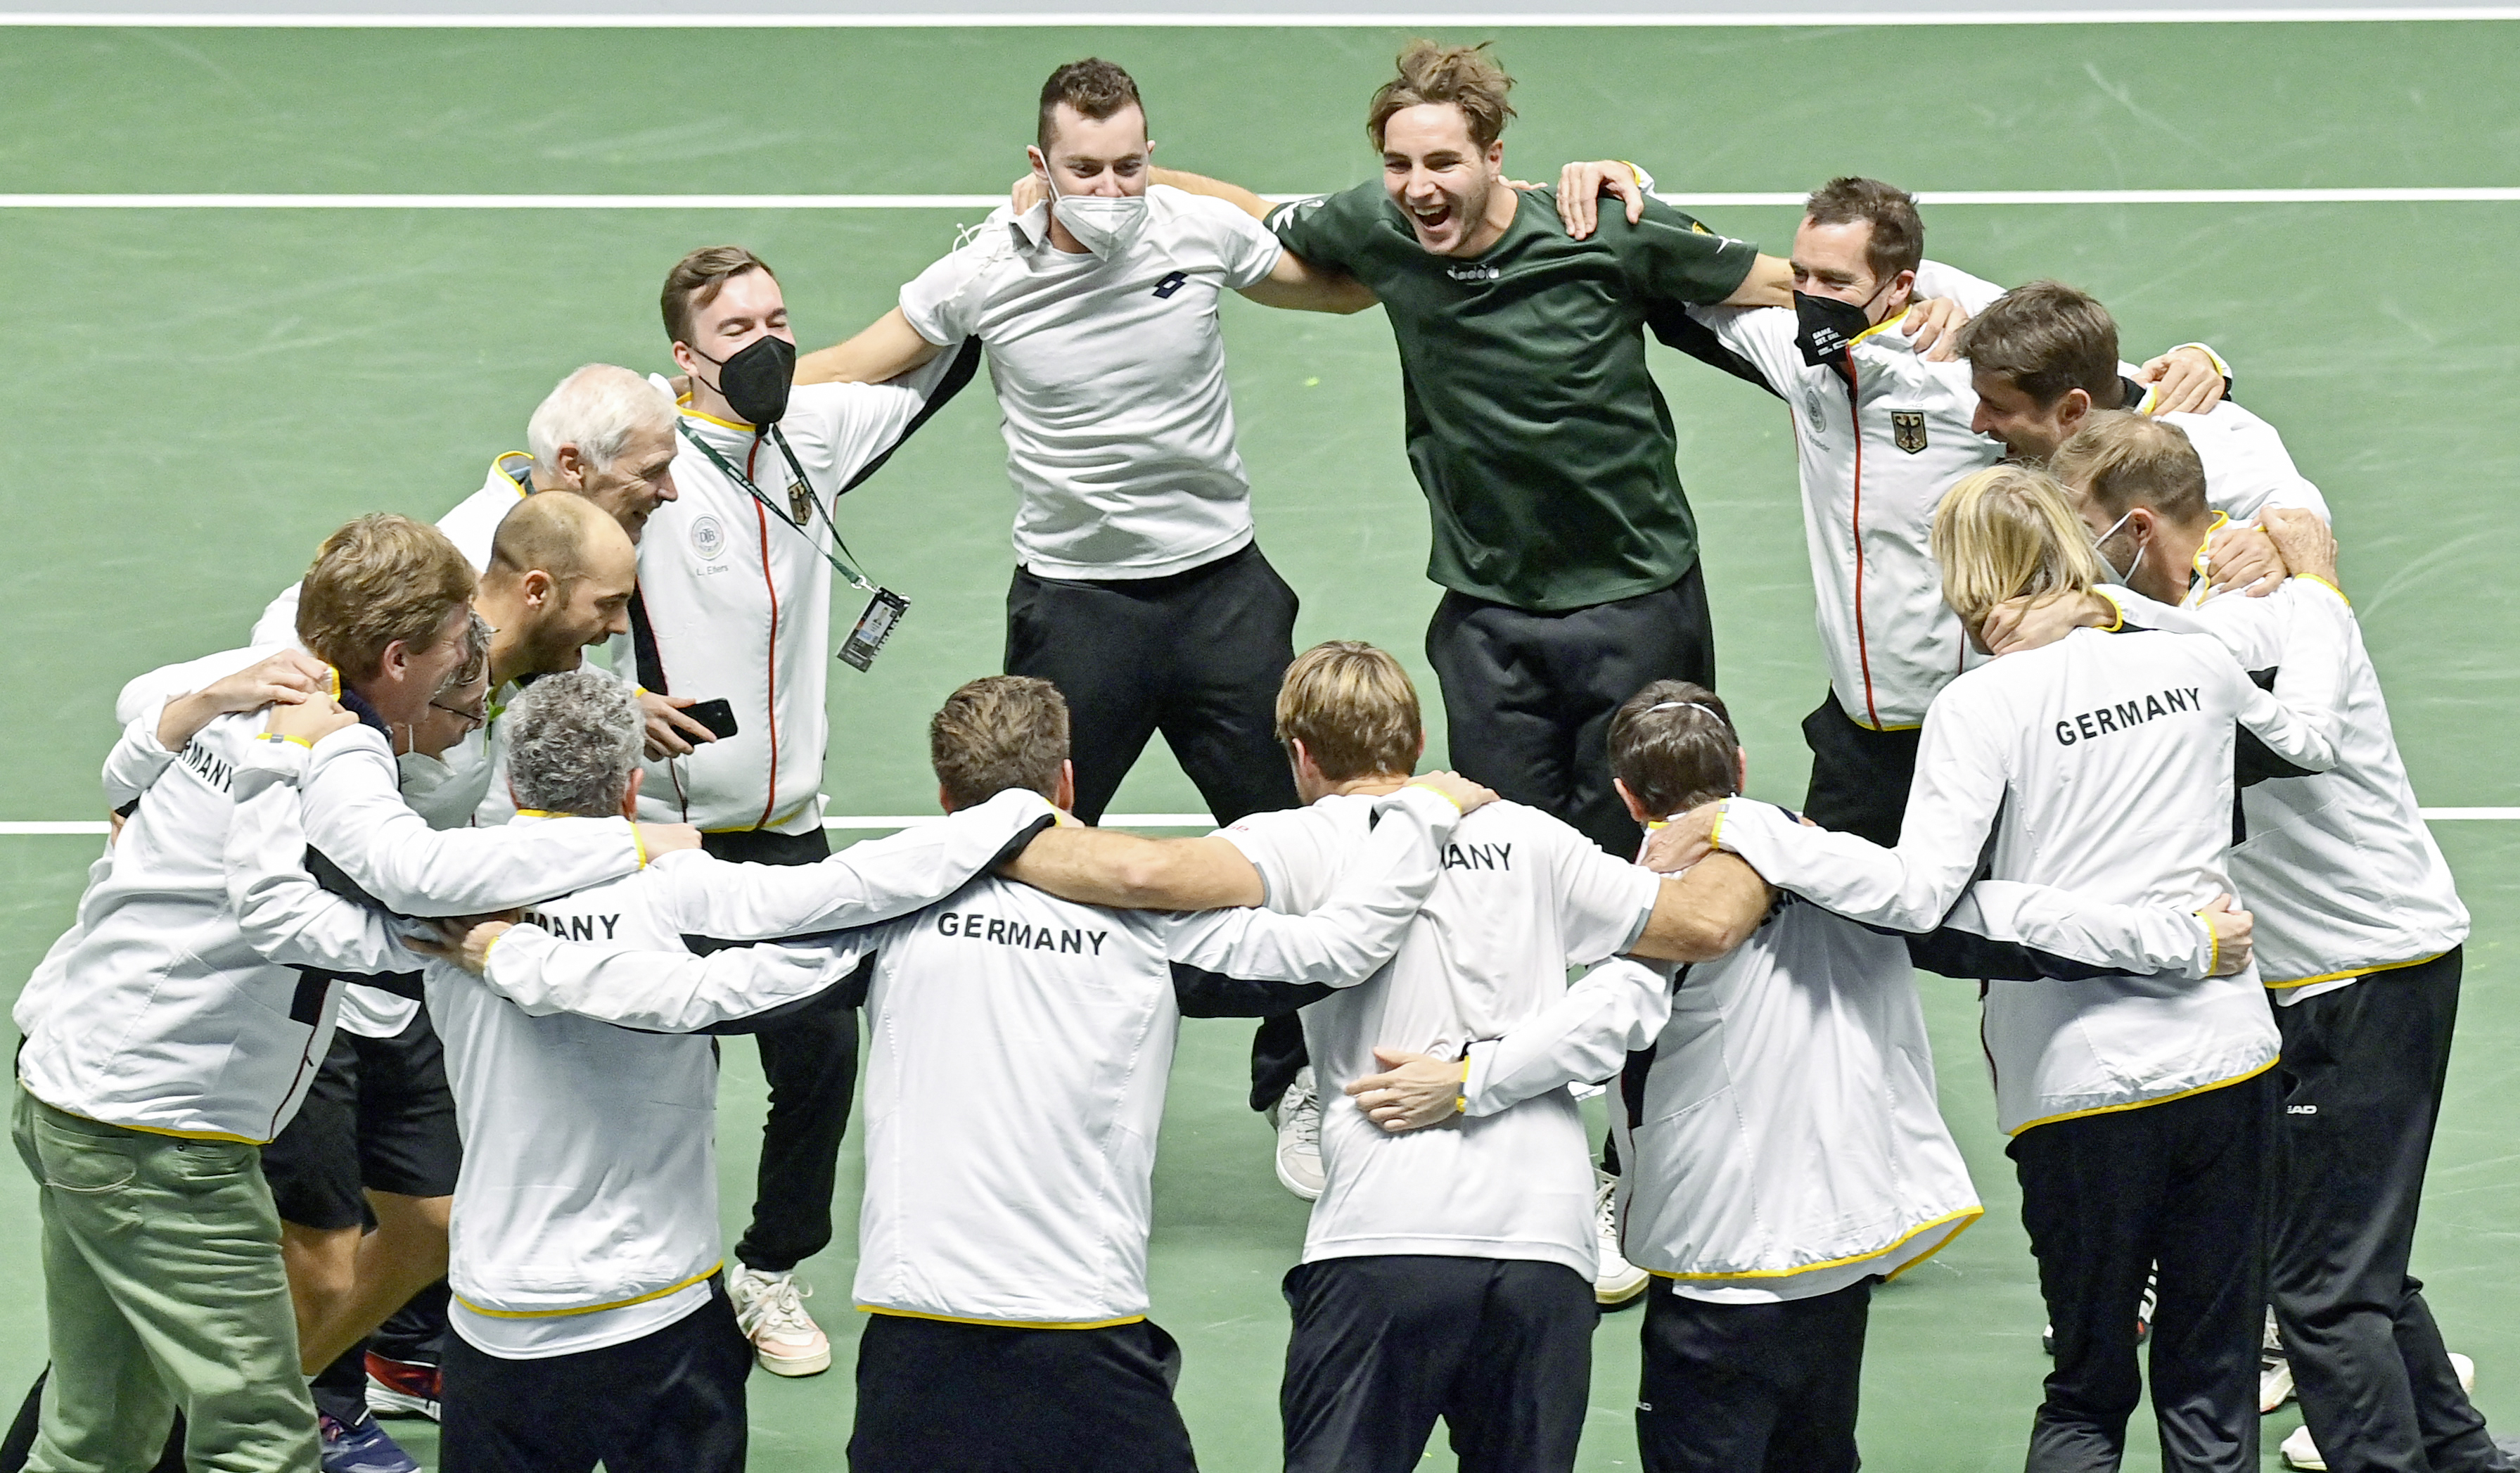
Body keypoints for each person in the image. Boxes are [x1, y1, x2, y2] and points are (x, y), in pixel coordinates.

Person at [382, 673, 1484, 1472]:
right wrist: (1419, 816)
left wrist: (505, 952)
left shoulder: (883, 918)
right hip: (1086, 1328)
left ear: (942, 795)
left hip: (915, 1340)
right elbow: (1336, 949)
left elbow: (679, 997)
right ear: (1063, 778)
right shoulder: (1148, 924)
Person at [1106, 37, 1785, 1246]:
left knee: (1656, 881)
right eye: (1398, 162)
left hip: (1634, 600)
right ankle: (1531, 1150)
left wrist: (1926, 298)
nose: (1418, 185)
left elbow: (1780, 285)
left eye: (1442, 162)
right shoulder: (1380, 226)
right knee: (1499, 890)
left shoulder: (1603, 226)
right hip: (1485, 616)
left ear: (1494, 158)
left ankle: (1654, 1155)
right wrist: (1100, 187)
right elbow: (1257, 214)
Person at [1356, 677, 2272, 1473]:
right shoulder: (1861, 873)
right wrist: (2183, 938)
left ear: (1630, 798)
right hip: (1839, 1258)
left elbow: (1604, 1020)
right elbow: (1998, 911)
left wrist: (1467, 1078)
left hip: (1719, 1268)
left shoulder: (1674, 903)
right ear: (1742, 767)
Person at [1654, 464, 2352, 1473]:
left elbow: (1913, 898)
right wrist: (2319, 594)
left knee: (2085, 1387)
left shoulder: (1978, 708)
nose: (1960, 613)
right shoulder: (2191, 660)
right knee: (2209, 1393)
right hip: (2228, 1061)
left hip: (2075, 1088)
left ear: (1978, 587)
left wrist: (1746, 824)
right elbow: (2311, 737)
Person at [8, 513, 691, 1471]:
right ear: (399, 656)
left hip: (71, 1090)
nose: (474, 657)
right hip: (161, 1133)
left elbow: (130, 751)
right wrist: (619, 844)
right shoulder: (337, 746)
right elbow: (394, 878)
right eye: (458, 642)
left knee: (97, 1437)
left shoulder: (251, 677)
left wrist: (203, 700)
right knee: (261, 1441)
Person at [1010, 640, 1772, 1473]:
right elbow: (1698, 927)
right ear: (1414, 747)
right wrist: (1753, 829)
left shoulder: (1293, 842)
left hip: (1382, 1243)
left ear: (1300, 757)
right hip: (1546, 1251)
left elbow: (1142, 874)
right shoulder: (1531, 838)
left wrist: (985, 838)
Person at [2007, 412, 2507, 1473]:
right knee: (2332, 1260)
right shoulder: (2201, 588)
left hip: (2362, 972)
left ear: (2135, 526)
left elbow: (2189, 669)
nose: (2070, 555)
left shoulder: (2260, 616)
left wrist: (2095, 610)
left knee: (2324, 1299)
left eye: (2083, 532)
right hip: (2305, 979)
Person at [1548, 167, 2229, 846]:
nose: (1812, 299)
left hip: (1987, 721)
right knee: (1840, 935)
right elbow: (1682, 280)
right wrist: (1623, 190)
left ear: (1901, 286)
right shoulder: (1795, 355)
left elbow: (2127, 410)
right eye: (1802, 278)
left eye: (1837, 284)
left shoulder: (1968, 378)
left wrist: (2206, 366)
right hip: (1859, 736)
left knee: (2019, 929)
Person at [798, 56, 1371, 831]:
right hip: (1076, 609)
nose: (1109, 192)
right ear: (1040, 166)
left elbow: (1341, 291)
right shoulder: (983, 273)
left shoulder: (1195, 229)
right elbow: (848, 366)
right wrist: (689, 398)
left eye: (1128, 167)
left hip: (1223, 597)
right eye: (1084, 170)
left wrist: (1487, 222)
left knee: (1290, 838)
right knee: (1031, 843)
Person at [638, 243, 983, 1375]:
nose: (766, 344)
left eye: (776, 318)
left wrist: (1013, 231)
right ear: (684, 359)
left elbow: (943, 350)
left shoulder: (820, 434)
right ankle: (648, 1273)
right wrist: (611, 699)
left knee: (821, 1053)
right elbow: (516, 589)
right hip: (659, 831)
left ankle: (769, 1268)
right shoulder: (643, 462)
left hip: (789, 831)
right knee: (651, 1064)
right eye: (735, 331)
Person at [248, 362, 707, 758]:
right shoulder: (466, 556)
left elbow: (536, 652)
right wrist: (313, 711)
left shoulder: (572, 522)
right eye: (650, 472)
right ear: (573, 465)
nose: (670, 491)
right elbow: (292, 619)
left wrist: (613, 699)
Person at [1955, 278, 2330, 598]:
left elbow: (2299, 516)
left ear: (2072, 411)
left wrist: (2269, 541)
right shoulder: (2043, 380)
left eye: (1997, 408)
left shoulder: (2199, 440)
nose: (1978, 423)